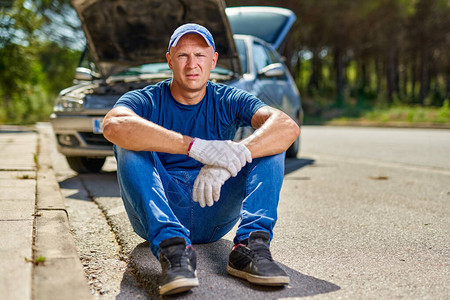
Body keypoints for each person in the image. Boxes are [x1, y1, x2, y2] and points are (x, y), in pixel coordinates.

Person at [103, 23, 300, 296]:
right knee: (128, 141)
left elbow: (286, 126)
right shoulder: (146, 99)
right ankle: (173, 249)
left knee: (270, 142)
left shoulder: (228, 98)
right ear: (170, 60)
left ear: (213, 61)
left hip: (215, 209)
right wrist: (195, 147)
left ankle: (250, 247)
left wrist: (229, 160)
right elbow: (113, 125)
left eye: (200, 55)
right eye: (183, 55)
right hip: (161, 211)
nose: (192, 64)